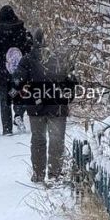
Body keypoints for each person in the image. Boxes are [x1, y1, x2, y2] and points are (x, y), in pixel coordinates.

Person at [12, 28, 77, 183]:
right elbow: (72, 80)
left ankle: (39, 173)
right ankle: (54, 173)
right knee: (56, 140)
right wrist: (68, 96)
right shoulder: (63, 59)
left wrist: (23, 94)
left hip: (36, 106)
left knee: (38, 140)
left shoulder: (28, 59)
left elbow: (18, 80)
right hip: (57, 105)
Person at [0, 5, 32, 135]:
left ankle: (7, 128)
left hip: (2, 71)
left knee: (4, 99)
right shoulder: (20, 30)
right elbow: (27, 48)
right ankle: (18, 114)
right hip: (19, 71)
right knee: (19, 93)